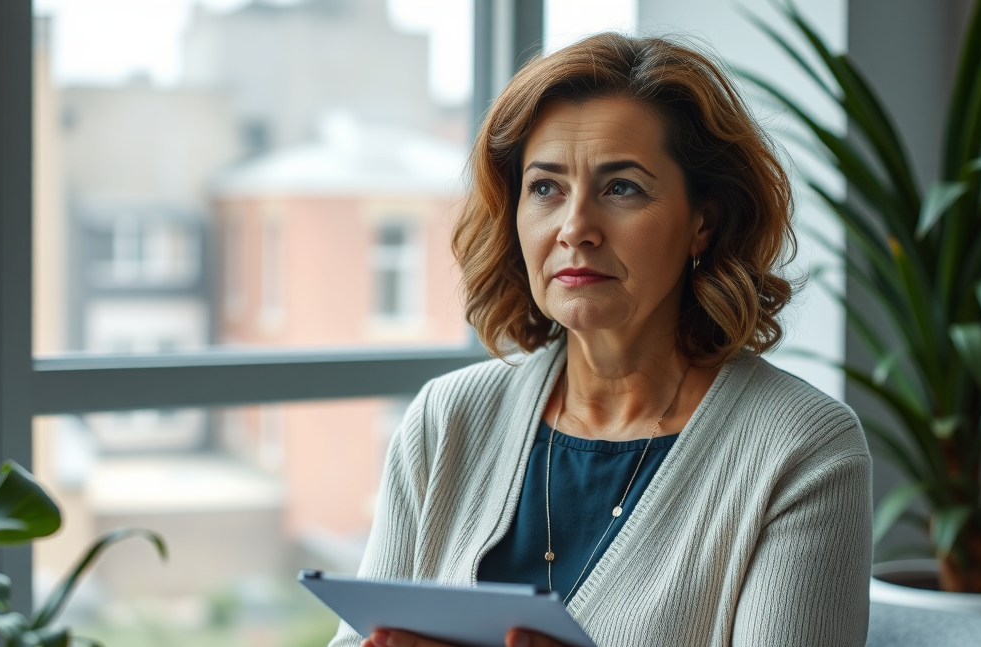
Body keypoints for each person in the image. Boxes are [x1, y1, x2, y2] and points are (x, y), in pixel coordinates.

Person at [332, 32, 871, 647]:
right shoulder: (445, 418)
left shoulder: (801, 450)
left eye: (622, 187)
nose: (575, 228)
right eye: (545, 188)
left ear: (704, 221)